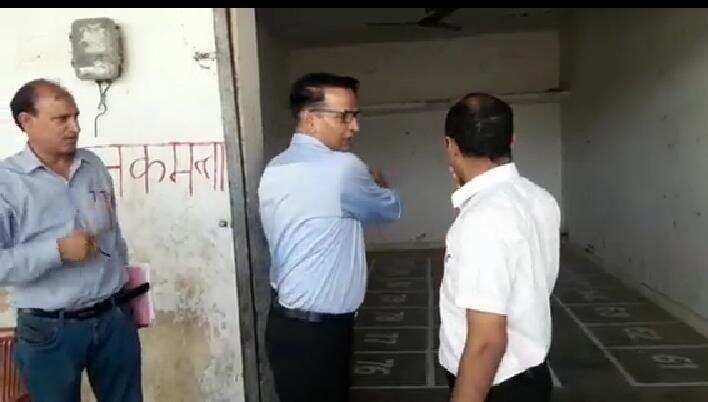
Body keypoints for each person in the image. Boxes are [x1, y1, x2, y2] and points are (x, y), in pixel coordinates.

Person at [258, 72, 402, 402]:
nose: (354, 127)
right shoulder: (344, 168)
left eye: (355, 115)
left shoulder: (275, 168)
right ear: (310, 118)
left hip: (286, 326)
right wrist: (381, 186)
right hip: (319, 335)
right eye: (344, 117)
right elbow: (389, 210)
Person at [0, 79, 143, 402]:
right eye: (61, 119)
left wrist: (129, 299)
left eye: (76, 116)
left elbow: (113, 238)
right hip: (50, 331)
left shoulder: (92, 165)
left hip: (114, 319)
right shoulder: (7, 184)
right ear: (26, 121)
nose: (75, 127)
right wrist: (56, 251)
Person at [438, 93, 560, 402]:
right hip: (530, 375)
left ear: (451, 146)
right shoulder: (539, 198)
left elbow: (486, 343)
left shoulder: (482, 218)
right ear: (511, 140)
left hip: (494, 385)